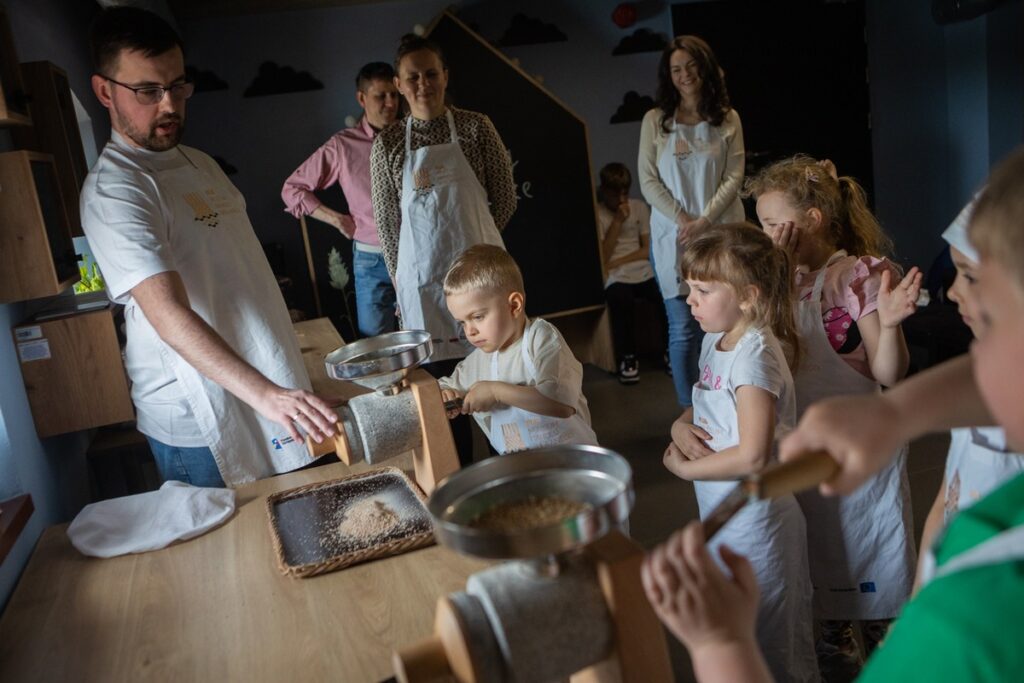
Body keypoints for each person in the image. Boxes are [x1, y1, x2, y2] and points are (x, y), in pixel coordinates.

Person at [641, 147, 1024, 683]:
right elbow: (988, 382)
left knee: (871, 572)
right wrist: (895, 416)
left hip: (869, 499)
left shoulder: (975, 623)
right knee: (824, 579)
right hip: (826, 459)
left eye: (972, 277)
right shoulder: (1002, 371)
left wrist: (719, 643)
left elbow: (893, 371)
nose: (953, 290)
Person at [81, 7, 336, 488]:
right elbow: (168, 315)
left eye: (178, 86)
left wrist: (285, 380)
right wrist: (269, 395)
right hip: (197, 416)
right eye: (148, 91)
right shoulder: (116, 189)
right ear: (104, 92)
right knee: (234, 556)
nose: (169, 106)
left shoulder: (200, 164)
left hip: (264, 385)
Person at [745, 155, 922, 673]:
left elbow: (890, 373)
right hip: (803, 449)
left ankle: (890, 656)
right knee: (822, 568)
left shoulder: (857, 276)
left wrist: (889, 327)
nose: (767, 234)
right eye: (761, 225)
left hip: (862, 456)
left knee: (876, 567)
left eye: (774, 223)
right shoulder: (778, 285)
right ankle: (837, 649)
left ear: (813, 220)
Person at [664, 224, 818, 682]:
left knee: (771, 635)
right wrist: (679, 423)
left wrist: (688, 472)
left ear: (748, 296)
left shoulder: (753, 357)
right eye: (689, 288)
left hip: (759, 523)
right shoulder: (717, 337)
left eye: (703, 290)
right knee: (741, 622)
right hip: (726, 512)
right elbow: (705, 401)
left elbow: (753, 456)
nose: (690, 300)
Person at [370, 33, 516, 465]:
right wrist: (403, 283)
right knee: (445, 399)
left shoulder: (476, 127)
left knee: (497, 391)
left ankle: (506, 478)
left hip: (485, 285)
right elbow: (388, 227)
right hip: (425, 292)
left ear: (445, 76)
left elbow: (504, 200)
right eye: (412, 77)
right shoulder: (389, 145)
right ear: (398, 84)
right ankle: (464, 488)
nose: (422, 84)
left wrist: (480, 247)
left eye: (431, 73)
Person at [913, 196, 1024, 592]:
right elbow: (946, 500)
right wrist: (918, 605)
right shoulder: (985, 373)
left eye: (970, 275)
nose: (954, 291)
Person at [638, 35, 746, 407]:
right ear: (668, 76)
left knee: (727, 322)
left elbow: (734, 175)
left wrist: (706, 219)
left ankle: (727, 403)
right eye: (676, 69)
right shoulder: (656, 121)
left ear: (705, 66)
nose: (684, 75)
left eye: (691, 66)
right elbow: (648, 179)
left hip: (722, 234)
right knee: (684, 328)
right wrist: (684, 217)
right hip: (674, 236)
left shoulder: (728, 118)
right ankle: (693, 411)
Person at [437, 245, 597, 454]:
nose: (470, 331)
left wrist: (496, 392)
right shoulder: (479, 360)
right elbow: (439, 389)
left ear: (514, 305)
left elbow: (560, 403)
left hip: (574, 466)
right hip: (523, 471)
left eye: (477, 317)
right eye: (462, 322)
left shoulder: (541, 339)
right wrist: (446, 395)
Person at [281, 62, 401, 338]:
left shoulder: (411, 137)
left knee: (430, 337)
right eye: (380, 96)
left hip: (416, 255)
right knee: (376, 344)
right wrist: (336, 219)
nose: (390, 103)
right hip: (372, 260)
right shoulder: (342, 146)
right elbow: (292, 189)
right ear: (361, 98)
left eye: (394, 94)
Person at [595, 162, 666, 384]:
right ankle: (628, 358)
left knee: (663, 294)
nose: (622, 200)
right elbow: (602, 257)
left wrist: (619, 260)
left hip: (640, 268)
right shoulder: (598, 212)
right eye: (616, 194)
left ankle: (667, 351)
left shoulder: (639, 207)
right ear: (605, 191)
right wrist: (617, 222)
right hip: (615, 275)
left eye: (625, 193)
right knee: (620, 299)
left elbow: (646, 249)